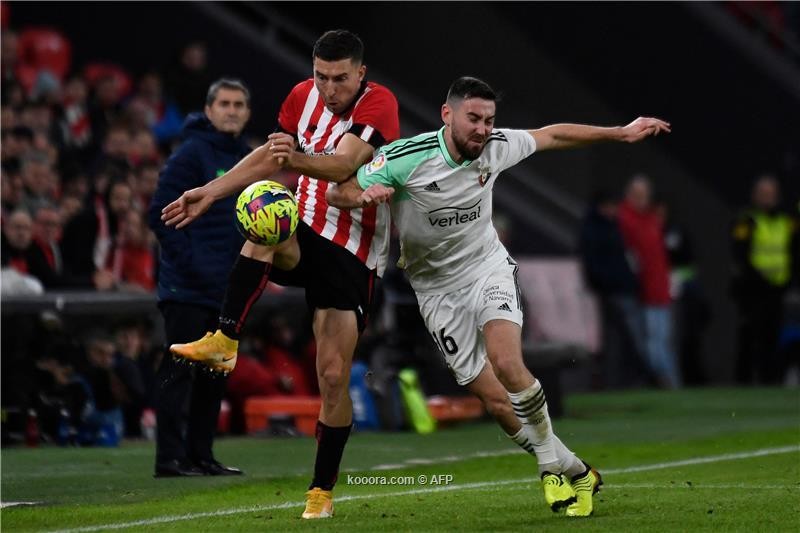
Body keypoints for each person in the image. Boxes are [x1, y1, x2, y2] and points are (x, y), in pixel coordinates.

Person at [327, 76, 671, 517]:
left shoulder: (496, 147)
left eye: (489, 120)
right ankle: (577, 470)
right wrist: (363, 195)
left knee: (508, 362)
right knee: (496, 403)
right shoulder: (405, 158)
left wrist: (620, 131)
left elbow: (553, 134)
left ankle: (549, 470)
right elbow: (339, 190)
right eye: (473, 118)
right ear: (446, 115)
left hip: (486, 268)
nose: (483, 129)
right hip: (434, 290)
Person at [162, 30, 400, 518]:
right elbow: (272, 157)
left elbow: (343, 165)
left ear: (359, 73)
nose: (328, 88)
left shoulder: (380, 104)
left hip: (352, 253)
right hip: (305, 232)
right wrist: (211, 190)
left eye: (339, 79)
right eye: (320, 76)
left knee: (332, 377)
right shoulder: (300, 96)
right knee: (265, 215)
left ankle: (321, 490)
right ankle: (225, 340)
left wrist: (292, 158)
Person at [146, 78, 252, 477]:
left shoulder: (245, 156)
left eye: (238, 104)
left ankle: (202, 456)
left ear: (247, 112)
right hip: (187, 288)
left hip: (225, 289)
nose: (231, 110)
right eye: (224, 103)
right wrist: (189, 263)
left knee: (214, 376)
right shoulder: (191, 153)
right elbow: (160, 211)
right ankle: (169, 459)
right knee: (177, 374)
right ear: (209, 110)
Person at [731, 175, 799, 384]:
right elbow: (739, 253)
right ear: (755, 196)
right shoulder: (747, 219)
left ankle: (771, 381)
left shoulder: (785, 220)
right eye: (763, 193)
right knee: (751, 336)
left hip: (778, 288)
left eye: (770, 193)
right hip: (754, 289)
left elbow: (793, 251)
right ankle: (744, 384)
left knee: (774, 336)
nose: (767, 198)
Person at [578, 189, 650, 388]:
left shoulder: (611, 226)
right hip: (612, 291)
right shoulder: (595, 229)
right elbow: (594, 263)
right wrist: (608, 283)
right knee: (623, 339)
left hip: (621, 289)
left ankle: (627, 380)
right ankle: (623, 381)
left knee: (624, 339)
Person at [617, 175, 680, 388]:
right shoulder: (627, 219)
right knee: (652, 344)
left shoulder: (650, 219)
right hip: (641, 291)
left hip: (658, 290)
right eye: (637, 195)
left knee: (660, 341)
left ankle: (669, 382)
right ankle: (666, 382)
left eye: (644, 196)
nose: (641, 200)